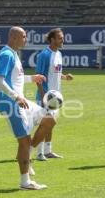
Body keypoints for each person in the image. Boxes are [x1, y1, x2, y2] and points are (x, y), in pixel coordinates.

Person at [0, 26, 56, 190]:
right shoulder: (7, 54)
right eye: (23, 36)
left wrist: (32, 78)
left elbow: (16, 79)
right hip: (11, 104)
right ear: (13, 37)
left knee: (49, 120)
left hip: (21, 102)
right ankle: (25, 182)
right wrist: (16, 97)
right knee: (23, 141)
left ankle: (28, 154)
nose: (25, 39)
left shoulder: (13, 54)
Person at [35, 28, 74, 161]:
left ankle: (48, 150)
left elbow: (55, 73)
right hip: (47, 97)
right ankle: (39, 153)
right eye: (60, 38)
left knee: (51, 124)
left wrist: (64, 77)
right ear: (52, 39)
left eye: (62, 38)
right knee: (44, 124)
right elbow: (39, 77)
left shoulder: (58, 54)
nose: (62, 40)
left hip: (56, 98)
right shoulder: (44, 55)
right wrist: (42, 96)